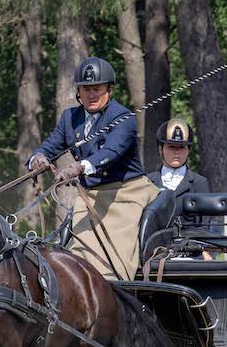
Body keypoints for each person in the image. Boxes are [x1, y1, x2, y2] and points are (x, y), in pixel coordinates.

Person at [27, 56, 158, 280]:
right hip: (89, 196)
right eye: (86, 89)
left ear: (109, 89)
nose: (92, 94)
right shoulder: (70, 117)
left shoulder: (123, 117)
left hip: (124, 194)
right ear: (79, 92)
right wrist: (38, 157)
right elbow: (52, 144)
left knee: (112, 261)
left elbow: (111, 152)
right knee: (73, 259)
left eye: (97, 88)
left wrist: (80, 166)